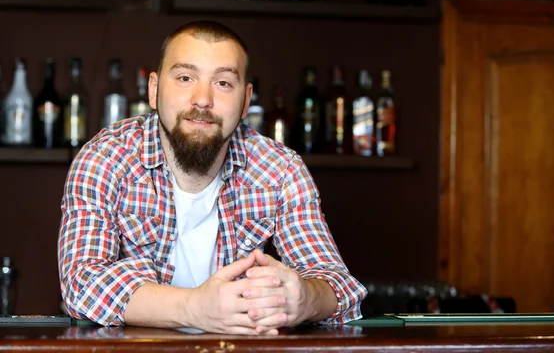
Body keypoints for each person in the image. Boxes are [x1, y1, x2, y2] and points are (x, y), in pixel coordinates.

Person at [57, 20, 367, 335]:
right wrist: (193, 308)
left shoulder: (279, 169)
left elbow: (340, 287)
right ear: (154, 90)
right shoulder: (106, 158)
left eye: (222, 83)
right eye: (184, 78)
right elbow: (81, 283)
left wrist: (304, 298)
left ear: (246, 100)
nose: (202, 99)